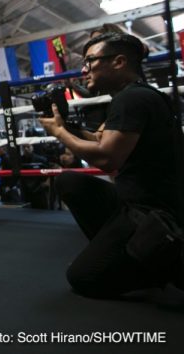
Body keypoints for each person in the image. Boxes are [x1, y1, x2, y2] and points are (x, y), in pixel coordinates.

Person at [39, 32, 184, 298]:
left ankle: (160, 261)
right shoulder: (133, 95)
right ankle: (126, 252)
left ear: (118, 62)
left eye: (90, 61)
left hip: (154, 211)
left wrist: (60, 133)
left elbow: (107, 159)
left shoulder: (133, 99)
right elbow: (99, 138)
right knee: (70, 181)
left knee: (83, 278)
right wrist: (66, 126)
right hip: (133, 202)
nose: (84, 70)